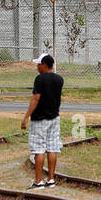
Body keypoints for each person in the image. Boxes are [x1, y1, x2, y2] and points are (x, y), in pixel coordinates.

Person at [21, 53, 64, 188]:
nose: (37, 67)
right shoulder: (59, 79)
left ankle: (38, 181)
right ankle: (51, 179)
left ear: (44, 64)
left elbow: (36, 98)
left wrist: (26, 116)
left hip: (39, 119)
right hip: (54, 118)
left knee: (39, 150)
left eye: (38, 64)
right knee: (52, 148)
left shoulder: (39, 79)